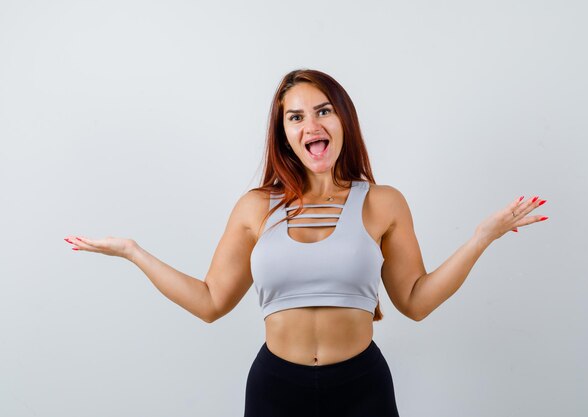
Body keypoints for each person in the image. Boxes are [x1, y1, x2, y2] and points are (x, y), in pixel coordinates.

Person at [64, 68, 549, 416]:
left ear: (343, 121)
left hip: (362, 387)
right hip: (276, 387)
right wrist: (134, 252)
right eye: (296, 117)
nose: (311, 125)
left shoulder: (383, 202)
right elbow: (210, 302)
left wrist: (482, 238)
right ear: (284, 133)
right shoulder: (256, 207)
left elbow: (416, 302)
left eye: (323, 111)